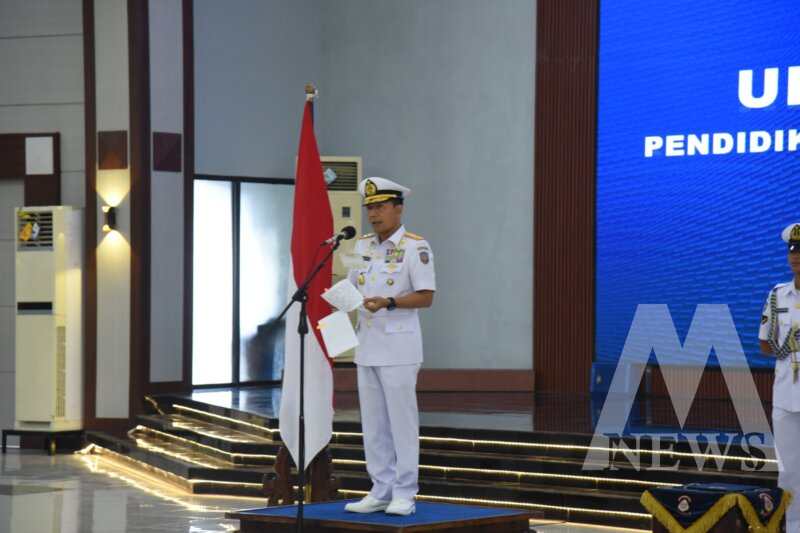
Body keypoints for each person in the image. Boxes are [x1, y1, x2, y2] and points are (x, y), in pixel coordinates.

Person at [343, 177, 436, 516]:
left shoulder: (416, 247)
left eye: (381, 206)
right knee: (374, 423)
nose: (374, 214)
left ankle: (405, 493)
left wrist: (390, 302)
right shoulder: (363, 246)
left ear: (399, 208)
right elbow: (351, 286)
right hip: (366, 345)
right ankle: (380, 488)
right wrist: (338, 297)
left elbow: (426, 296)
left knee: (401, 422)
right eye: (370, 208)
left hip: (399, 348)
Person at [759, 222, 800, 532]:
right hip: (786, 397)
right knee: (787, 471)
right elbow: (764, 344)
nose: (796, 256)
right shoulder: (777, 296)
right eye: (792, 250)